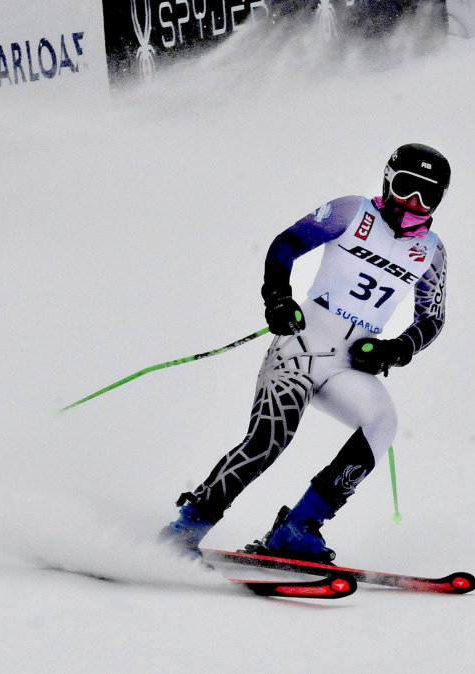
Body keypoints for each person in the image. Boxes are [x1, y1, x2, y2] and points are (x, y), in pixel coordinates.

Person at [160, 143, 450, 562]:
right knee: (272, 437)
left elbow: (432, 319)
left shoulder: (433, 252)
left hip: (350, 363)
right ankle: (187, 526)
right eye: (406, 187)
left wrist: (394, 349)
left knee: (382, 422)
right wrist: (277, 297)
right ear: (388, 180)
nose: (413, 202)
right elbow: (287, 243)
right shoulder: (352, 212)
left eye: (428, 195)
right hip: (302, 344)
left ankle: (298, 528)